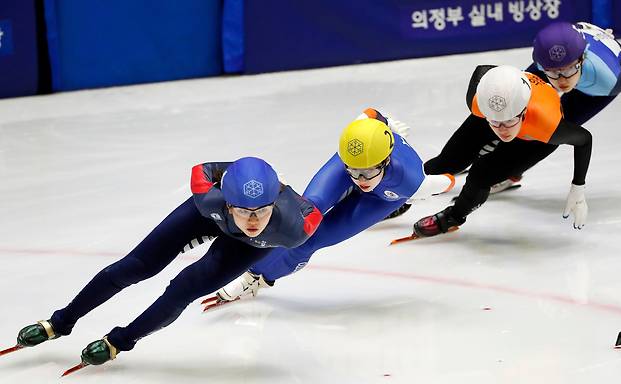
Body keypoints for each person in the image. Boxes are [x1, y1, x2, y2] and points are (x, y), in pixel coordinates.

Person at [10, 157, 322, 369]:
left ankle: (120, 341)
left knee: (183, 289)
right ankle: (60, 322)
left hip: (245, 247)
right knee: (136, 266)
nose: (252, 220)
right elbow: (204, 169)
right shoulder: (207, 196)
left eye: (262, 211)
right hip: (209, 218)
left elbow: (314, 213)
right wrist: (237, 174)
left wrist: (281, 191)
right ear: (226, 200)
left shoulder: (294, 227)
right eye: (243, 210)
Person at [201, 109, 455, 308]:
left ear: (387, 160)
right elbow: (371, 113)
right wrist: (382, 121)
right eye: (354, 172)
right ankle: (252, 264)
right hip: (363, 159)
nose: (360, 180)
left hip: (382, 199)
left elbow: (450, 182)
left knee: (313, 240)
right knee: (304, 218)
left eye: (368, 173)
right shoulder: (355, 154)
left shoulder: (411, 182)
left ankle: (254, 280)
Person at [415, 65, 593, 238]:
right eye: (495, 122)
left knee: (480, 175)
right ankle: (406, 191)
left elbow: (585, 140)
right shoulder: (479, 102)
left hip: (533, 138)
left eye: (508, 122)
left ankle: (453, 216)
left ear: (523, 112)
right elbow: (481, 70)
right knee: (450, 161)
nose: (502, 130)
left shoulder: (548, 125)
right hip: (495, 115)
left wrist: (578, 187)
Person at [491, 21, 621, 192]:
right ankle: (487, 155)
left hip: (593, 89)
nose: (562, 80)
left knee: (551, 132)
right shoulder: (546, 59)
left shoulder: (608, 80)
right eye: (555, 72)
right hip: (577, 57)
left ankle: (510, 174)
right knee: (513, 103)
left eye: (569, 69)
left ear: (582, 58)